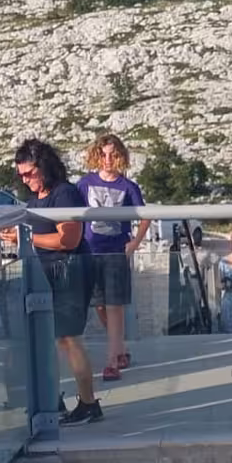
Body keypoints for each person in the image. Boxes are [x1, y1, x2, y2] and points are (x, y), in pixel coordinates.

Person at [15, 138, 100, 423]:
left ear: (44, 167)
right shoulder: (37, 198)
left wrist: (26, 238)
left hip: (69, 271)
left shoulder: (64, 194)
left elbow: (69, 239)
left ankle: (88, 403)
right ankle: (57, 400)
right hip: (49, 273)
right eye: (21, 175)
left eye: (29, 173)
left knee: (69, 339)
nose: (25, 180)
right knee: (56, 340)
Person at [77, 134, 145, 382]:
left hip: (116, 251)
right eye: (103, 154)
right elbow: (74, 213)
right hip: (91, 251)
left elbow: (146, 215)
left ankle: (112, 360)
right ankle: (120, 348)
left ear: (121, 157)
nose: (107, 160)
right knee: (100, 305)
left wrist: (135, 242)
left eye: (112, 155)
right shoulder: (85, 183)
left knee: (115, 306)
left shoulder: (128, 187)